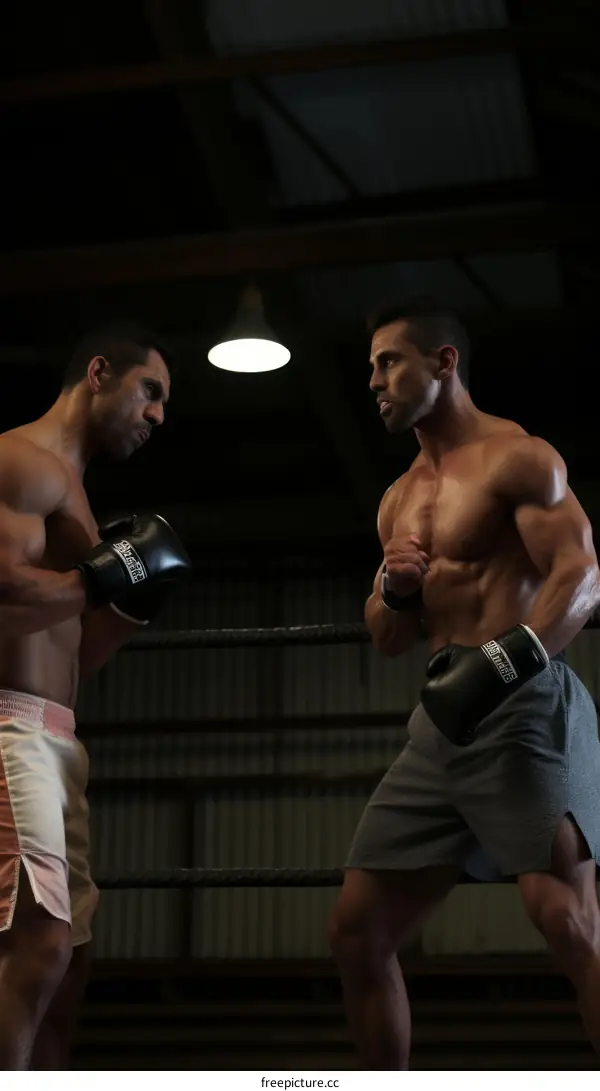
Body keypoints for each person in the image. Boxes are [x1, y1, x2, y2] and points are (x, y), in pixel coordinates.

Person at [328, 299, 600, 1068]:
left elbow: (582, 577)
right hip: (442, 720)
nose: (375, 381)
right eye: (371, 367)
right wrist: (399, 591)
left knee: (566, 918)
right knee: (356, 929)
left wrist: (505, 660)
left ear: (444, 362)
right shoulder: (397, 498)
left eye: (389, 362)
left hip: (522, 707)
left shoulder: (518, 457)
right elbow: (386, 638)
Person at [0, 321, 192, 1070]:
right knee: (38, 944)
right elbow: (6, 596)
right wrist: (94, 579)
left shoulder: (75, 495)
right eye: (150, 392)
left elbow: (73, 653)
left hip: (57, 734)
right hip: (11, 731)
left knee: (69, 960)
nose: (157, 415)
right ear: (99, 373)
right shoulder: (20, 461)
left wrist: (130, 606)